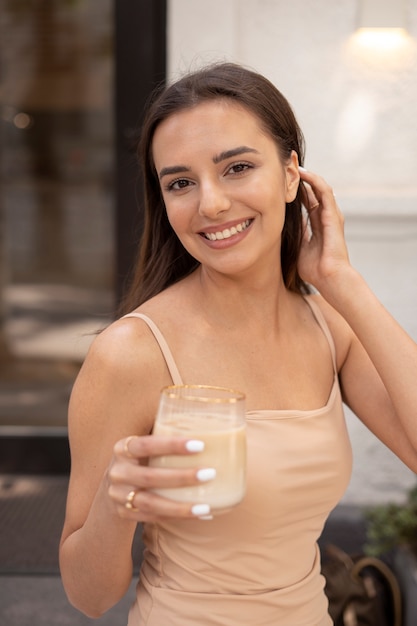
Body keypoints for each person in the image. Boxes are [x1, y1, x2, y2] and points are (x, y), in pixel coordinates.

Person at [59, 62, 417, 626]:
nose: (212, 204)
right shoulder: (131, 353)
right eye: (180, 182)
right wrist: (115, 499)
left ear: (292, 175)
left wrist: (343, 282)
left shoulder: (329, 326)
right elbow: (89, 596)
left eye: (238, 168)